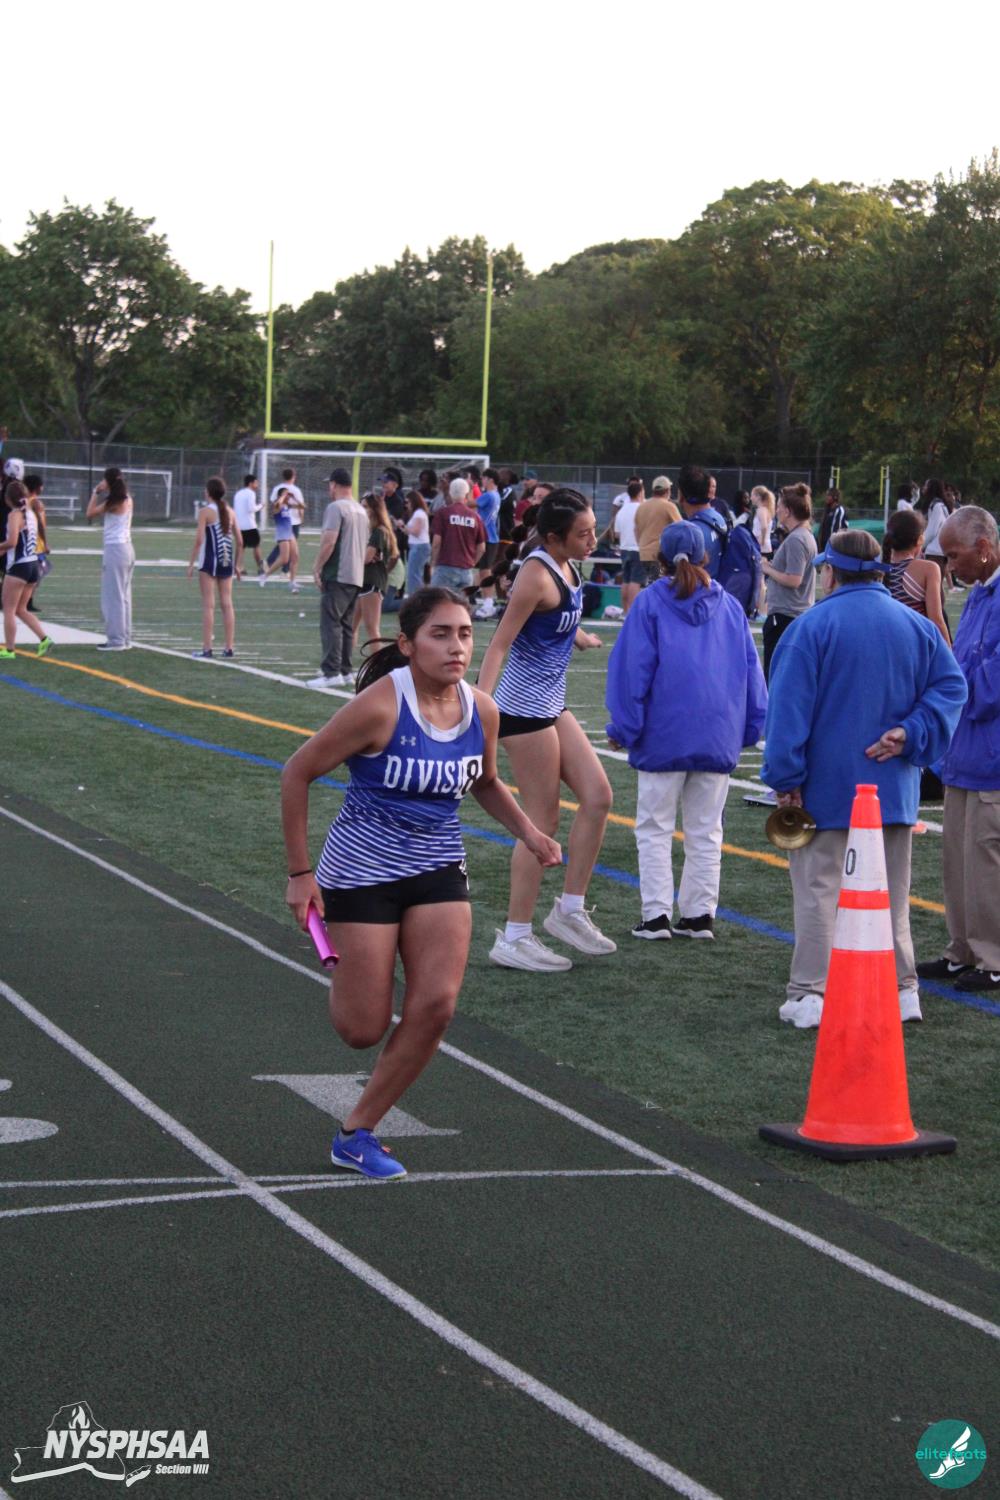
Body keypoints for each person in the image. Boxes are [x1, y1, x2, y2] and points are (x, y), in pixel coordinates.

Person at [280, 587, 561, 1179]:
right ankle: (356, 968)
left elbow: (485, 781)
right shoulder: (380, 706)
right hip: (360, 874)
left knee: (436, 1004)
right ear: (408, 645)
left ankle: (356, 1133)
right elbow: (297, 772)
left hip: (437, 868)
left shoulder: (482, 709)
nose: (457, 646)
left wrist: (530, 833)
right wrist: (301, 875)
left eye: (465, 633)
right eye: (441, 634)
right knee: (362, 1029)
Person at [761, 528, 966, 1029]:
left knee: (819, 891)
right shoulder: (915, 626)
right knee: (889, 896)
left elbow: (787, 713)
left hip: (824, 791)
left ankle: (811, 993)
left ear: (831, 572)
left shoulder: (810, 627)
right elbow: (952, 687)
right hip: (892, 790)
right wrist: (912, 731)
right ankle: (902, 990)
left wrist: (784, 777)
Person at [606, 522, 767, 940]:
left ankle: (656, 915)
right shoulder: (729, 606)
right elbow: (752, 673)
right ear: (706, 557)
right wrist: (751, 727)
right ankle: (699, 915)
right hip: (716, 734)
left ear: (660, 559)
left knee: (654, 828)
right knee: (706, 831)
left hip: (663, 733)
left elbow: (633, 671)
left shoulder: (650, 603)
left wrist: (624, 726)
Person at [478, 488, 613, 971]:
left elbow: (556, 618)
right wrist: (480, 707)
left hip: (551, 704)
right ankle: (514, 936)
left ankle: (569, 910)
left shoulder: (568, 564)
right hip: (521, 710)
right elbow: (499, 644)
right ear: (555, 538)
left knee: (598, 796)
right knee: (541, 822)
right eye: (583, 533)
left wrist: (580, 637)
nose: (593, 539)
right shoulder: (536, 574)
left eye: (593, 529)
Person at [917, 507, 1000, 994]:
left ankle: (993, 955)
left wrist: (950, 685)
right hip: (963, 752)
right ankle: (962, 948)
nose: (949, 565)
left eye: (953, 555)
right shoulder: (979, 596)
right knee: (958, 861)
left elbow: (986, 686)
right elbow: (960, 662)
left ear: (984, 548)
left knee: (987, 861)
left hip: (992, 756)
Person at [309, 468, 369, 690]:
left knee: (331, 623)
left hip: (338, 573)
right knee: (346, 625)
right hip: (356, 574)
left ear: (334, 484)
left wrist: (317, 567)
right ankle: (345, 670)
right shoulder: (361, 510)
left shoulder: (336, 508)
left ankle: (331, 672)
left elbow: (329, 541)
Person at [760, 484, 817, 681]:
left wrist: (768, 569)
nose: (776, 510)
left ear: (788, 511)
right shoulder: (803, 535)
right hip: (791, 614)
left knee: (774, 676)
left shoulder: (797, 539)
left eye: (779, 506)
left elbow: (794, 579)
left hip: (786, 617)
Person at [188, 478, 241, 658]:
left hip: (209, 561)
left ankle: (207, 649)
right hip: (226, 561)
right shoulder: (230, 512)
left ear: (209, 492)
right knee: (227, 603)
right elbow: (240, 541)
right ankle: (229, 648)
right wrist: (237, 564)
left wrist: (191, 563)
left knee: (208, 605)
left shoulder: (205, 512)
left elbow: (199, 540)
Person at [0, 479, 53, 659]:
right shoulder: (30, 513)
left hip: (19, 567)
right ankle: (44, 639)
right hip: (32, 565)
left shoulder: (14, 515)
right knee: (21, 609)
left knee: (8, 609)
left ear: (7, 498)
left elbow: (12, 542)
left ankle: (9, 650)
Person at [882, 509, 950, 644]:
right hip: (915, 647)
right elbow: (936, 620)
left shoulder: (878, 568)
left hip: (885, 645)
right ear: (920, 539)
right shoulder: (928, 569)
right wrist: (949, 652)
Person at [86, 469, 135, 651]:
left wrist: (95, 492)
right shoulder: (127, 498)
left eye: (104, 480)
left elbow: (90, 513)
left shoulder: (114, 501)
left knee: (113, 597)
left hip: (116, 549)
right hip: (127, 548)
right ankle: (125, 638)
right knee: (124, 597)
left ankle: (116, 640)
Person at [353, 491, 398, 652]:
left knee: (372, 628)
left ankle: (380, 663)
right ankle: (344, 662)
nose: (362, 510)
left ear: (375, 509)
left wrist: (360, 555)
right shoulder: (371, 530)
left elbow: (366, 558)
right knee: (351, 626)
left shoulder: (379, 531)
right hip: (363, 581)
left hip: (372, 582)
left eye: (365, 507)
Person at [430, 477, 487, 591]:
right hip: (466, 570)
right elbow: (482, 548)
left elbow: (436, 543)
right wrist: (471, 563)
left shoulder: (443, 513)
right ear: (467, 494)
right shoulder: (475, 517)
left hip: (445, 567)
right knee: (461, 602)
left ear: (451, 493)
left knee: (438, 600)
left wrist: (433, 564)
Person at [678, 464, 729, 579]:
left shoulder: (690, 532)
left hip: (698, 588)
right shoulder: (718, 518)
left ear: (681, 495)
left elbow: (682, 579)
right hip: (715, 586)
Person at [634, 477, 682, 586]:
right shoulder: (668, 506)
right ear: (668, 490)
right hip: (660, 556)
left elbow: (636, 531)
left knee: (652, 586)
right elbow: (682, 528)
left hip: (643, 554)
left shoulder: (642, 506)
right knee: (662, 588)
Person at [613, 478, 645, 614]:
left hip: (624, 549)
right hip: (637, 549)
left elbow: (617, 534)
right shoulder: (642, 508)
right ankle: (633, 613)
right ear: (640, 493)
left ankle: (626, 611)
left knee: (626, 580)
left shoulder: (622, 510)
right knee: (635, 581)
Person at [259, 485, 300, 591]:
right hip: (282, 533)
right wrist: (283, 496)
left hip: (290, 532)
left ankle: (292, 582)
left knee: (295, 557)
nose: (287, 496)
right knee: (284, 559)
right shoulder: (276, 505)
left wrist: (294, 497)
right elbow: (278, 504)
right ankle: (265, 576)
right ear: (280, 496)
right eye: (286, 494)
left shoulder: (287, 506)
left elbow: (302, 506)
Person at [265, 466, 305, 574]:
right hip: (294, 521)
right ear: (293, 477)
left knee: (283, 546)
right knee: (289, 548)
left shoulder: (277, 488)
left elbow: (273, 503)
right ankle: (283, 569)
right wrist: (301, 518)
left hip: (281, 521)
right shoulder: (296, 490)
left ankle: (270, 564)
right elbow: (301, 506)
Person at [915, 478, 953, 585]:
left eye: (926, 486)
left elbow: (932, 530)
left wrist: (920, 545)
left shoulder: (936, 506)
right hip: (939, 550)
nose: (924, 488)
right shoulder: (939, 504)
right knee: (936, 586)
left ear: (932, 488)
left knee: (933, 586)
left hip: (935, 551)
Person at [23, 474, 48, 614]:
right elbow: (40, 525)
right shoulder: (36, 503)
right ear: (37, 487)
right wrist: (46, 543)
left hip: (28, 542)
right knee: (36, 575)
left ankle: (25, 601)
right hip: (37, 544)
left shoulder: (24, 501)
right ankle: (27, 602)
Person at [750, 485, 776, 617]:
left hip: (761, 548)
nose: (751, 498)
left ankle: (762, 611)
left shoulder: (761, 510)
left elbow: (764, 527)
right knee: (762, 581)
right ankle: (761, 610)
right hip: (765, 547)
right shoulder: (766, 510)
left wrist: (760, 541)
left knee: (760, 582)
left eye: (752, 495)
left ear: (758, 497)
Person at [233, 474, 264, 575]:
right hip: (249, 525)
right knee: (256, 545)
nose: (257, 485)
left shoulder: (238, 493)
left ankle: (238, 567)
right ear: (251, 483)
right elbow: (251, 508)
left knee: (240, 547)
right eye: (256, 483)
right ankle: (261, 568)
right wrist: (261, 506)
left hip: (238, 525)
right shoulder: (251, 493)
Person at [404, 489, 431, 595]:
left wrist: (404, 526)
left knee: (413, 574)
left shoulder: (419, 514)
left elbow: (415, 532)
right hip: (418, 546)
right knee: (416, 573)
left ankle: (414, 596)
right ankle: (417, 595)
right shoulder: (419, 513)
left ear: (413, 501)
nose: (407, 505)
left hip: (419, 546)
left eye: (408, 502)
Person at [817, 488, 848, 552]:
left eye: (829, 495)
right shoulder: (827, 510)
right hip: (824, 546)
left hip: (833, 546)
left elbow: (836, 529)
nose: (826, 497)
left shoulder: (839, 510)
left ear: (835, 497)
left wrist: (832, 544)